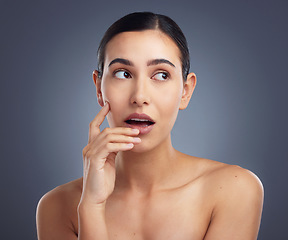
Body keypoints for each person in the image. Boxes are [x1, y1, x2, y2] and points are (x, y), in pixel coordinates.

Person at [36, 12, 264, 240]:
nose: (140, 96)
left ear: (185, 91)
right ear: (98, 88)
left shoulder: (234, 190)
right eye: (123, 74)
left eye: (161, 75)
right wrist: (92, 206)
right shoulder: (57, 207)